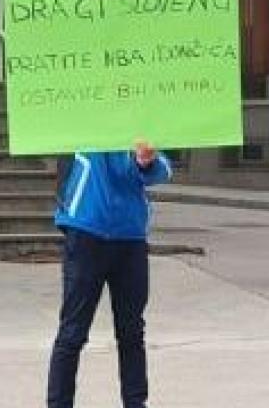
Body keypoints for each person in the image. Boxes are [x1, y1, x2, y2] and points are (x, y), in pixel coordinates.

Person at [47, 143, 173, 408]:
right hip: (86, 230)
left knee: (132, 332)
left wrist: (146, 162)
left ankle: (135, 403)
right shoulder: (78, 126)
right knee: (72, 332)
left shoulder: (139, 126)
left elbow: (162, 168)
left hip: (130, 237)